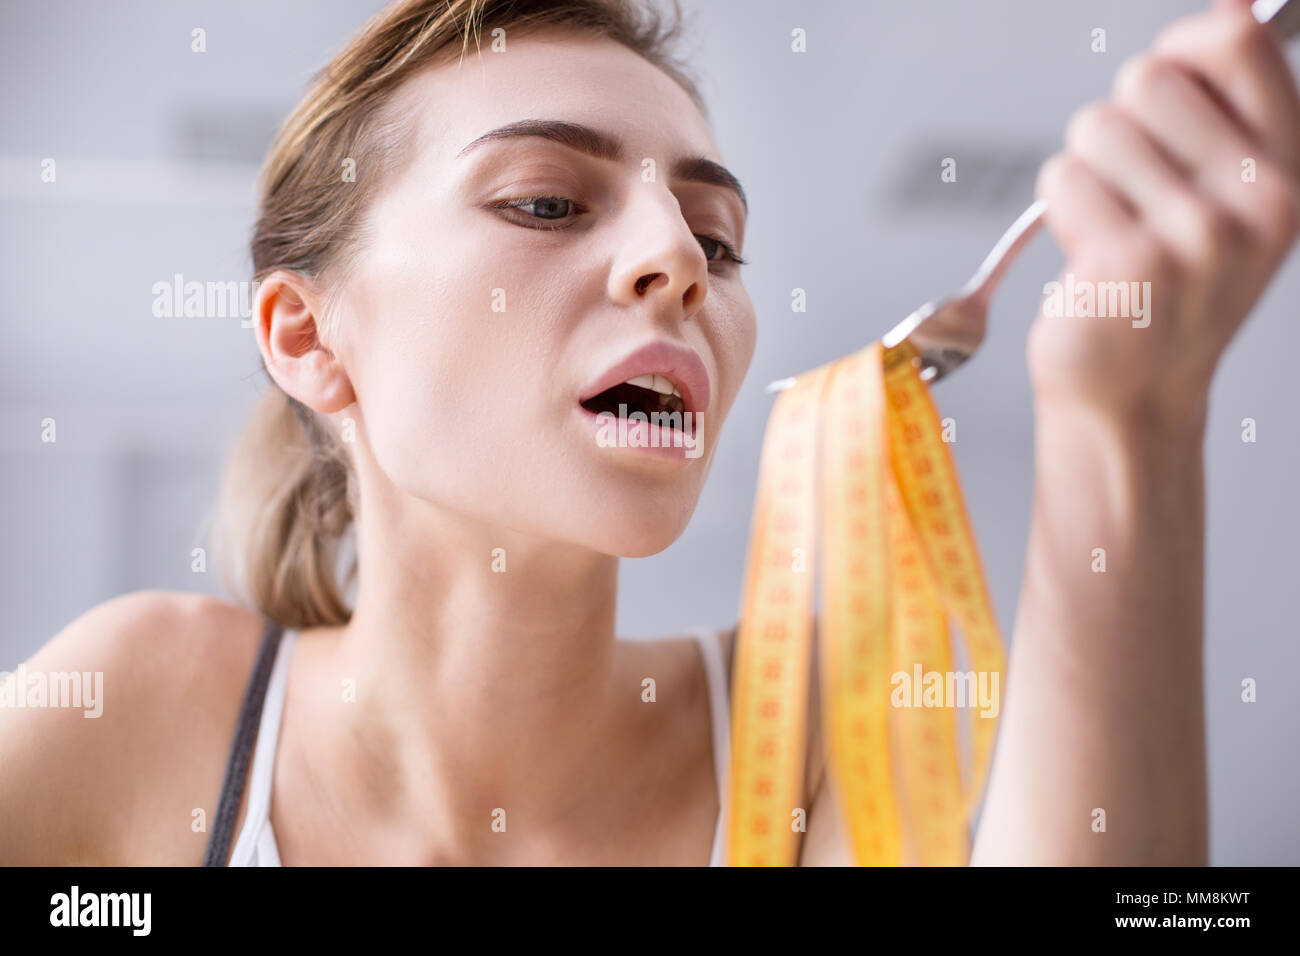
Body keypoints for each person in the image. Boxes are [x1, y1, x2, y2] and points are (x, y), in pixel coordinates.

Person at [1, 0, 1297, 865]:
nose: (679, 258)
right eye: (548, 201)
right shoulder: (148, 706)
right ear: (307, 336)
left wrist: (1124, 417)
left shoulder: (816, 739)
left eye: (718, 237)